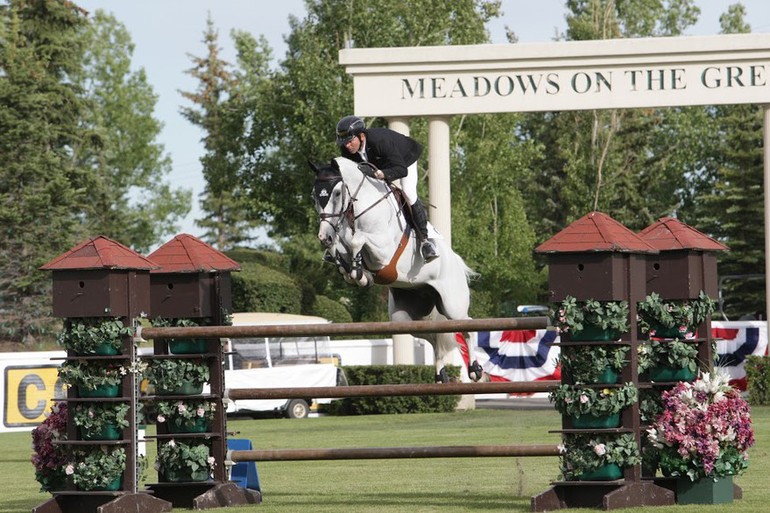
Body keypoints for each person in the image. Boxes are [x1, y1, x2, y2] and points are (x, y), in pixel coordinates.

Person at [335, 115, 439, 262]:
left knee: (408, 192)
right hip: (379, 163)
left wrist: (381, 174)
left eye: (350, 141)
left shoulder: (380, 141)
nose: (347, 146)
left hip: (404, 159)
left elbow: (401, 170)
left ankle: (425, 241)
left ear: (362, 136)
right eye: (344, 142)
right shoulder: (347, 150)